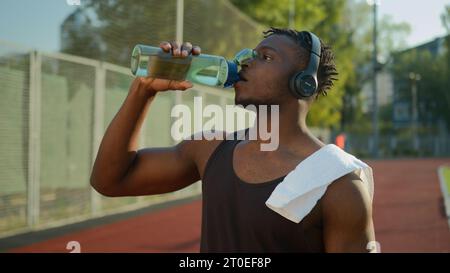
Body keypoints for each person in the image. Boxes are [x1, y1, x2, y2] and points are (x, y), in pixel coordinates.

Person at [90, 27, 376, 253]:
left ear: (303, 83)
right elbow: (109, 180)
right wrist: (144, 90)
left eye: (265, 57)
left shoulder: (340, 184)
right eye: (250, 54)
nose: (246, 62)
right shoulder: (210, 148)